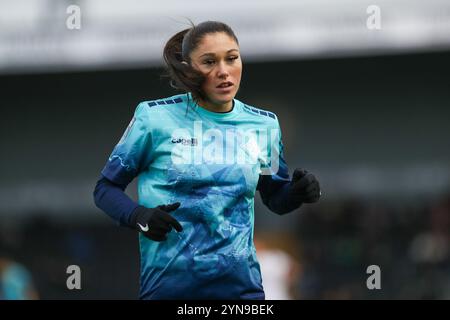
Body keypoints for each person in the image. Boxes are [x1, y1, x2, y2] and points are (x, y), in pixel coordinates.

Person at [93, 20, 321, 300]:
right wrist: (139, 216)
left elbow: (275, 198)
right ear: (189, 69)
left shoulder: (264, 126)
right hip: (168, 289)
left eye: (232, 58)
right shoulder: (154, 119)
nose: (224, 71)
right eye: (209, 62)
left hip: (241, 291)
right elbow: (105, 189)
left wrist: (298, 193)